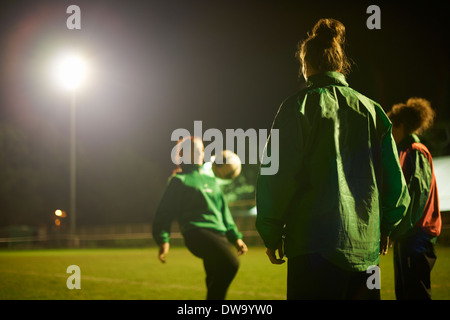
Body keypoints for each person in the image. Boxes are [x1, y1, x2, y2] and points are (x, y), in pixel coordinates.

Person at [256, 18, 410, 300]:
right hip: (365, 250)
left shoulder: (297, 107)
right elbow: (395, 184)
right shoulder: (372, 110)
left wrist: (271, 230)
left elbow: (275, 176)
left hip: (312, 248)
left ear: (305, 65)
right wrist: (385, 226)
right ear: (340, 65)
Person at [152, 136, 248, 300]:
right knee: (231, 264)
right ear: (183, 154)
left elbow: (223, 211)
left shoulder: (211, 179)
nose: (201, 153)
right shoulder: (178, 181)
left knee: (213, 277)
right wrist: (163, 239)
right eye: (196, 150)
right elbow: (164, 212)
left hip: (220, 235)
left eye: (202, 150)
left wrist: (236, 237)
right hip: (197, 233)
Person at [387, 97, 442, 300]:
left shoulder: (415, 151)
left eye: (391, 127)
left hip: (416, 235)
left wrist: (396, 230)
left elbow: (417, 198)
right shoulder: (404, 151)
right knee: (404, 293)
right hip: (408, 235)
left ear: (401, 126)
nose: (389, 133)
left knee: (415, 294)